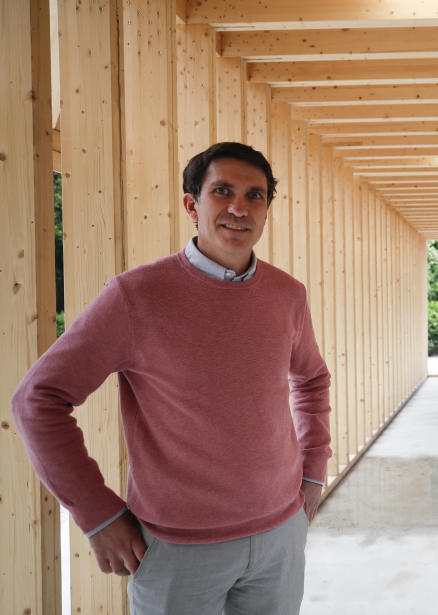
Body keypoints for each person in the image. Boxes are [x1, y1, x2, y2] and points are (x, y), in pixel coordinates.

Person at [12, 142, 331, 614]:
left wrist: (313, 472)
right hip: (178, 550)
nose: (239, 208)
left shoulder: (287, 294)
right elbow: (38, 399)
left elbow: (312, 380)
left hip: (280, 537)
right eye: (222, 191)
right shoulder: (136, 296)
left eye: (255, 196)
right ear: (192, 204)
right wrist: (97, 514)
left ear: (266, 210)